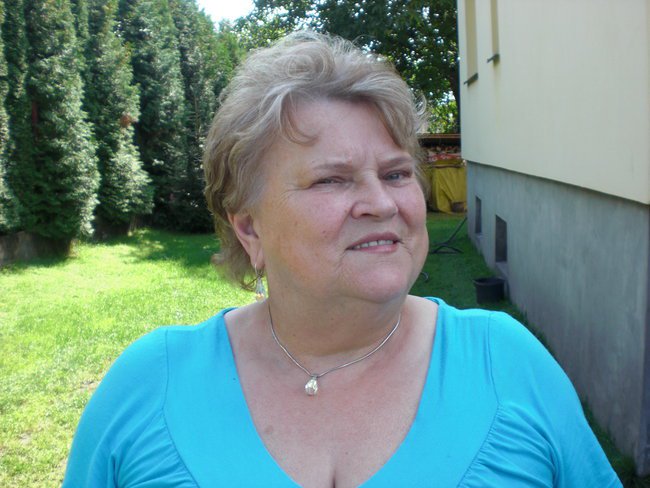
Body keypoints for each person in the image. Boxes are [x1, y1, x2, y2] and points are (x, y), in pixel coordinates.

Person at [63, 32, 621, 487]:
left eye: (396, 174)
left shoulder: (508, 364)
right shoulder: (149, 388)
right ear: (249, 228)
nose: (382, 203)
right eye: (332, 180)